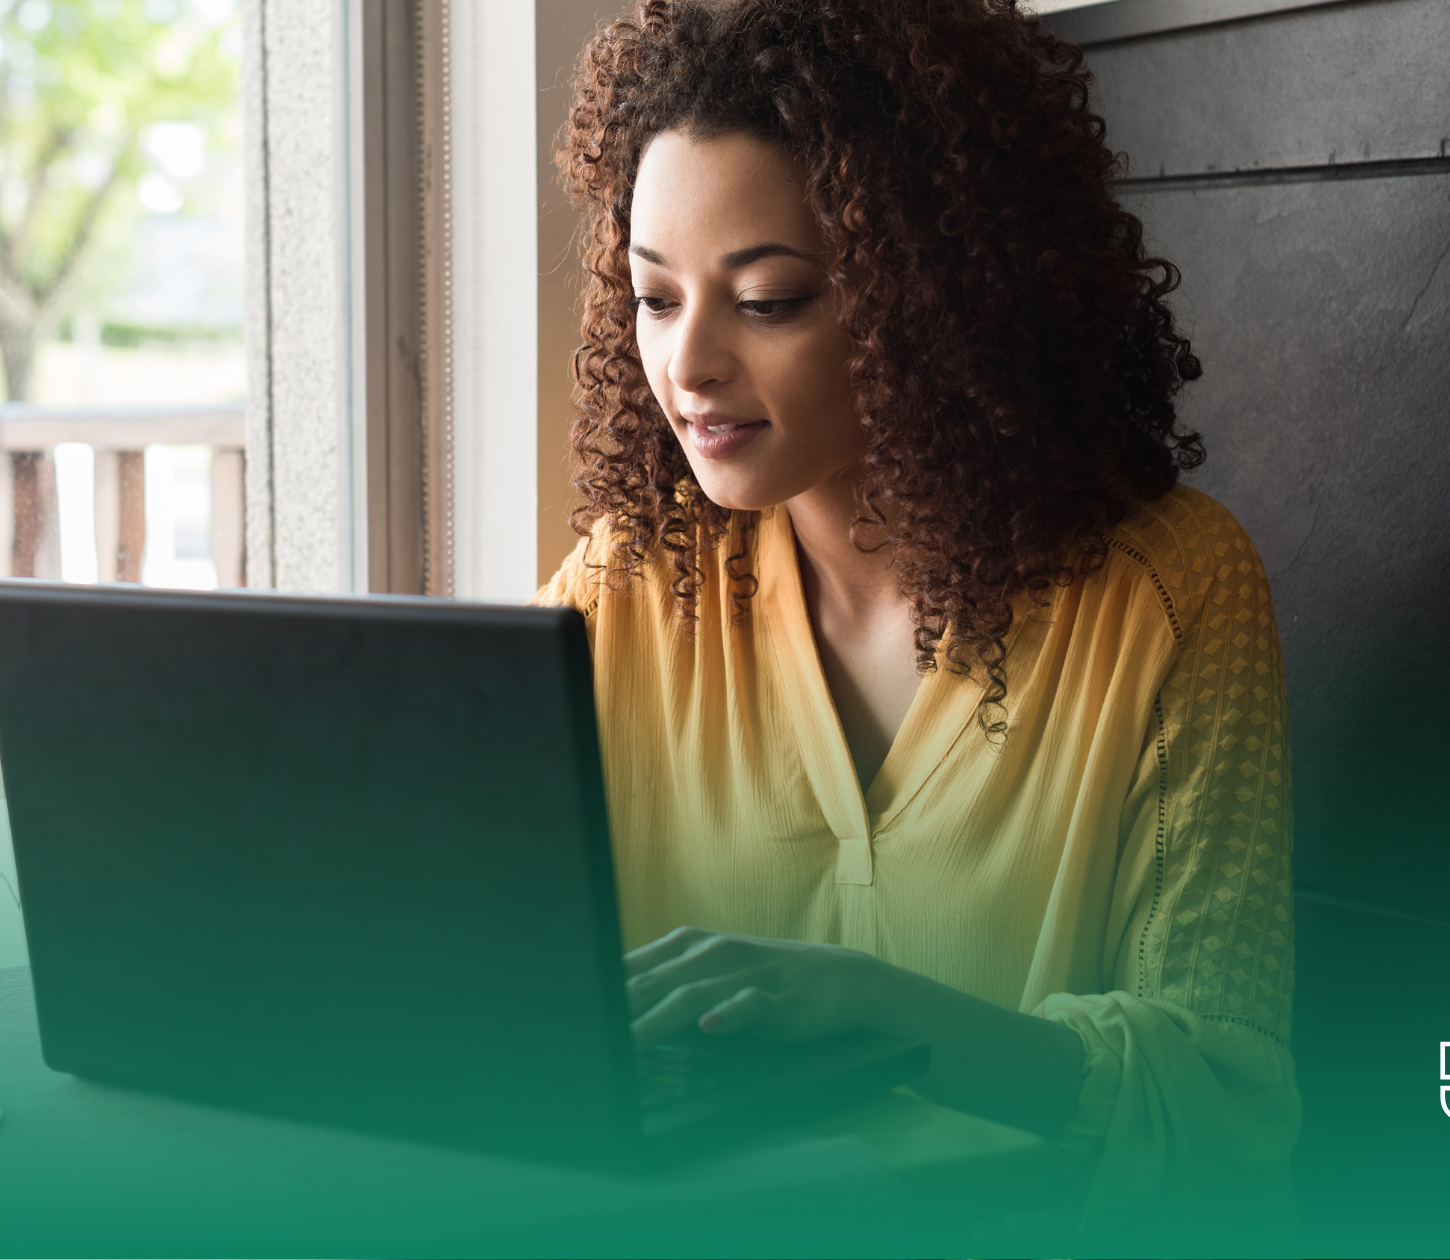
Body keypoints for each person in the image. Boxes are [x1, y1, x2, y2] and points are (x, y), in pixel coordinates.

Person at [535, 0, 1298, 1248]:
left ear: (934, 294)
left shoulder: (1164, 592)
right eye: (654, 298)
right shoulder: (620, 590)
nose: (687, 367)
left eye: (767, 298)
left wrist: (885, 1015)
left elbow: (1217, 1098)